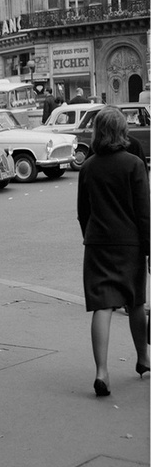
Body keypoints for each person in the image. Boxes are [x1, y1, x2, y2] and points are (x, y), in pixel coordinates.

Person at [77, 106, 150, 396]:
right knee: (135, 303)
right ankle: (143, 359)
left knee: (102, 306)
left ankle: (102, 372)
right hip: (129, 244)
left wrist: (91, 237)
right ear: (122, 131)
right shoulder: (133, 164)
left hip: (97, 244)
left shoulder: (88, 166)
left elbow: (83, 212)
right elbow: (144, 213)